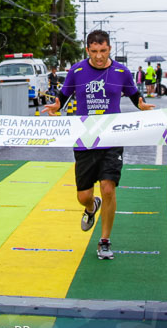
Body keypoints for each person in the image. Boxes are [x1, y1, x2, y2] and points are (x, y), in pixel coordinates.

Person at [42, 30, 155, 261]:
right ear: (87, 50)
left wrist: (140, 106)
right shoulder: (77, 71)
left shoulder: (121, 72)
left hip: (112, 139)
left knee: (108, 188)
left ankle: (104, 240)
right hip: (84, 140)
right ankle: (91, 207)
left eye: (103, 51)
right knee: (83, 196)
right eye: (94, 51)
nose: (99, 56)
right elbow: (63, 98)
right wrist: (56, 106)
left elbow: (135, 96)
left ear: (109, 49)